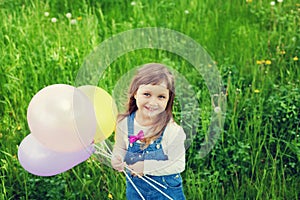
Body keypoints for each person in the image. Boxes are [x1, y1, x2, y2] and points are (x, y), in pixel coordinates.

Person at [111, 63, 186, 200]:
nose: (153, 102)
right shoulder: (125, 124)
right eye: (147, 94)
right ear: (135, 93)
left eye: (161, 97)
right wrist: (118, 157)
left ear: (169, 99)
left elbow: (178, 164)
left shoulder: (171, 129)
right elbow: (120, 147)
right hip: (135, 189)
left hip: (166, 190)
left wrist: (145, 167)